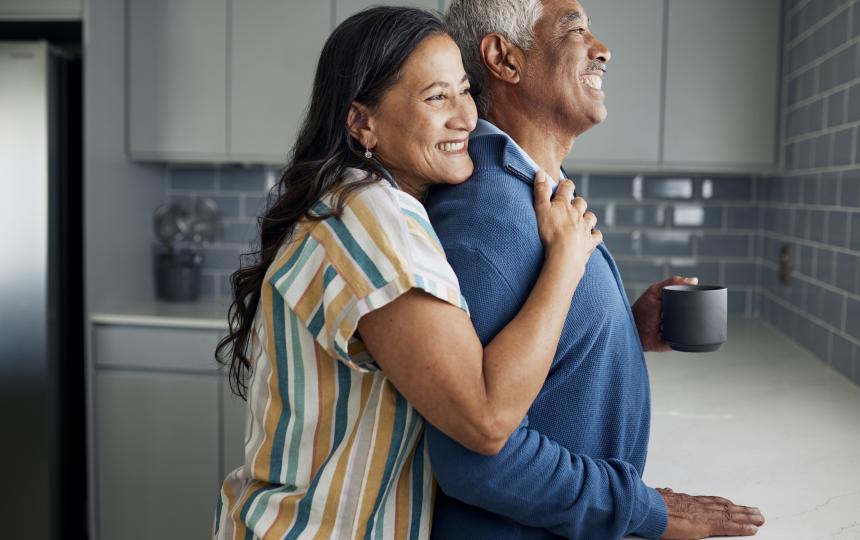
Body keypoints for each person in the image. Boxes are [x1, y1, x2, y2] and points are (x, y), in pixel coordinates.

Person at [212, 7, 602, 539]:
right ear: (361, 122)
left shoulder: (367, 204)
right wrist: (566, 262)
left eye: (465, 90)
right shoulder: (372, 219)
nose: (466, 116)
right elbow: (485, 420)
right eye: (436, 97)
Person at [423, 0, 767, 538]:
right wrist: (645, 509)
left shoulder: (530, 193)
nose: (602, 50)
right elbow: (478, 460)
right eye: (575, 29)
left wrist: (622, 329)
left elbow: (533, 365)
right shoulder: (489, 215)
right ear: (505, 60)